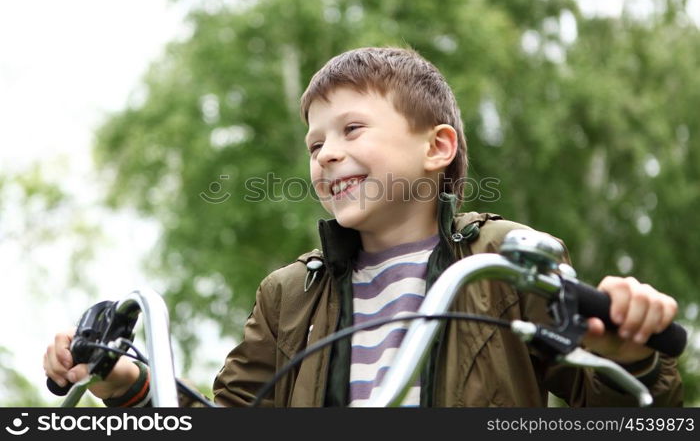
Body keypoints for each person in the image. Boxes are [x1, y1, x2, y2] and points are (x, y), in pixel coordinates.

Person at [44, 47, 682, 407]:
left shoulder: (507, 261)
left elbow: (624, 414)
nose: (324, 153)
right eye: (313, 142)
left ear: (437, 148)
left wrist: (634, 359)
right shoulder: (287, 294)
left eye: (351, 130)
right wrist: (131, 386)